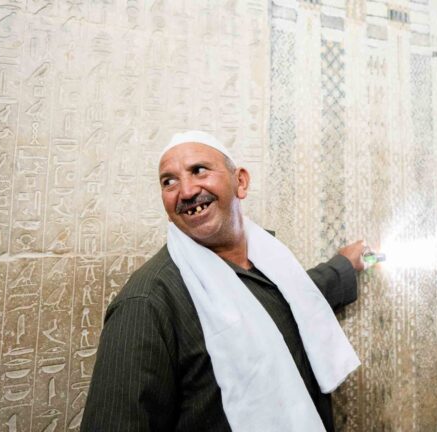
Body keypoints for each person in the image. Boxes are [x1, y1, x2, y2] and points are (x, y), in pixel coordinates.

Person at [81, 131, 364, 431]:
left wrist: (345, 264)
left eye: (198, 170)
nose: (187, 191)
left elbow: (291, 300)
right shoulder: (146, 304)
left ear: (240, 181)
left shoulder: (270, 261)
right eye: (169, 181)